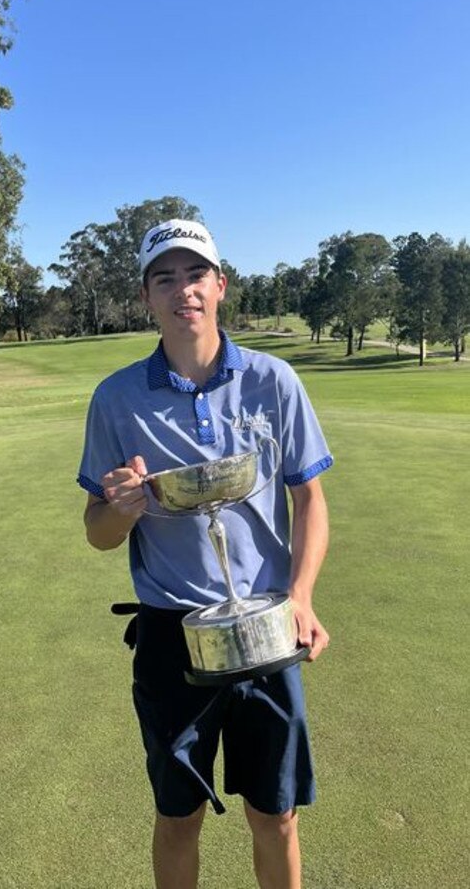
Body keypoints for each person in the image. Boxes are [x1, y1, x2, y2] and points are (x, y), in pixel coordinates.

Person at [77, 219, 333, 889]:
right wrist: (121, 506)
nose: (182, 289)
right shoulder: (117, 398)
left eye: (195, 275)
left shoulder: (274, 382)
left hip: (269, 624)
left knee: (275, 814)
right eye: (165, 277)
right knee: (177, 818)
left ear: (220, 286)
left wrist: (302, 598)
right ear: (146, 297)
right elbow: (98, 531)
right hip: (171, 635)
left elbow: (310, 500)